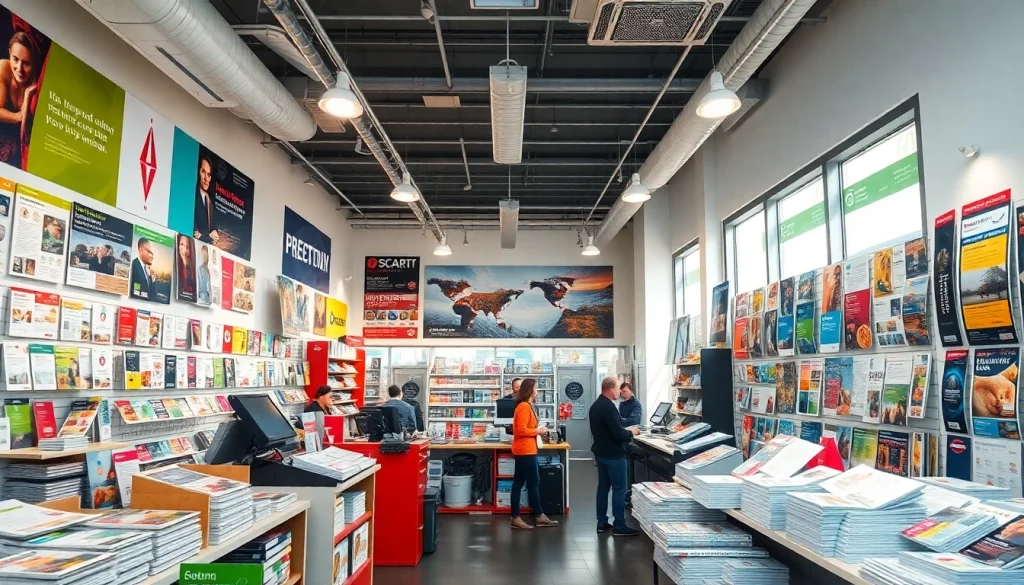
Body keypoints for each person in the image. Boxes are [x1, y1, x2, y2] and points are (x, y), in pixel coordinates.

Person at [590, 376, 640, 536]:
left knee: (603, 488)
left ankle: (602, 522)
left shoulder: (596, 405)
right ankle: (619, 525)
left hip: (601, 453)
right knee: (619, 489)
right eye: (618, 388)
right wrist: (631, 432)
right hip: (614, 455)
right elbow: (618, 433)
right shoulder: (609, 407)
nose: (620, 391)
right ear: (611, 389)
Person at [510, 378, 559, 530]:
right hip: (525, 451)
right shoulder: (524, 406)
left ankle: (517, 517)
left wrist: (538, 431)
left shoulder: (527, 406)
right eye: (536, 389)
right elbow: (520, 430)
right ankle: (538, 515)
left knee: (519, 483)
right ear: (530, 390)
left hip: (526, 449)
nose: (538, 392)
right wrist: (539, 431)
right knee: (533, 482)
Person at [0, 32, 39, 168]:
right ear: (9, 53)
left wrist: (27, 95)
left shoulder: (35, 84)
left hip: (15, 151)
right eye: (15, 59)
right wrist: (18, 116)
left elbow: (26, 133)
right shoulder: (3, 68)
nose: (19, 69)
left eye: (26, 63)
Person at [193, 155, 218, 244]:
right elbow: (195, 233)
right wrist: (207, 235)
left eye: (209, 174)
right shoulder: (193, 197)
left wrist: (214, 232)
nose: (206, 179)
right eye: (203, 172)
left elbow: (213, 226)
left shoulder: (210, 202)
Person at [176, 234, 195, 299]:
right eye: (181, 244)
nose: (184, 249)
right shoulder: (176, 263)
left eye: (187, 247)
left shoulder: (192, 267)